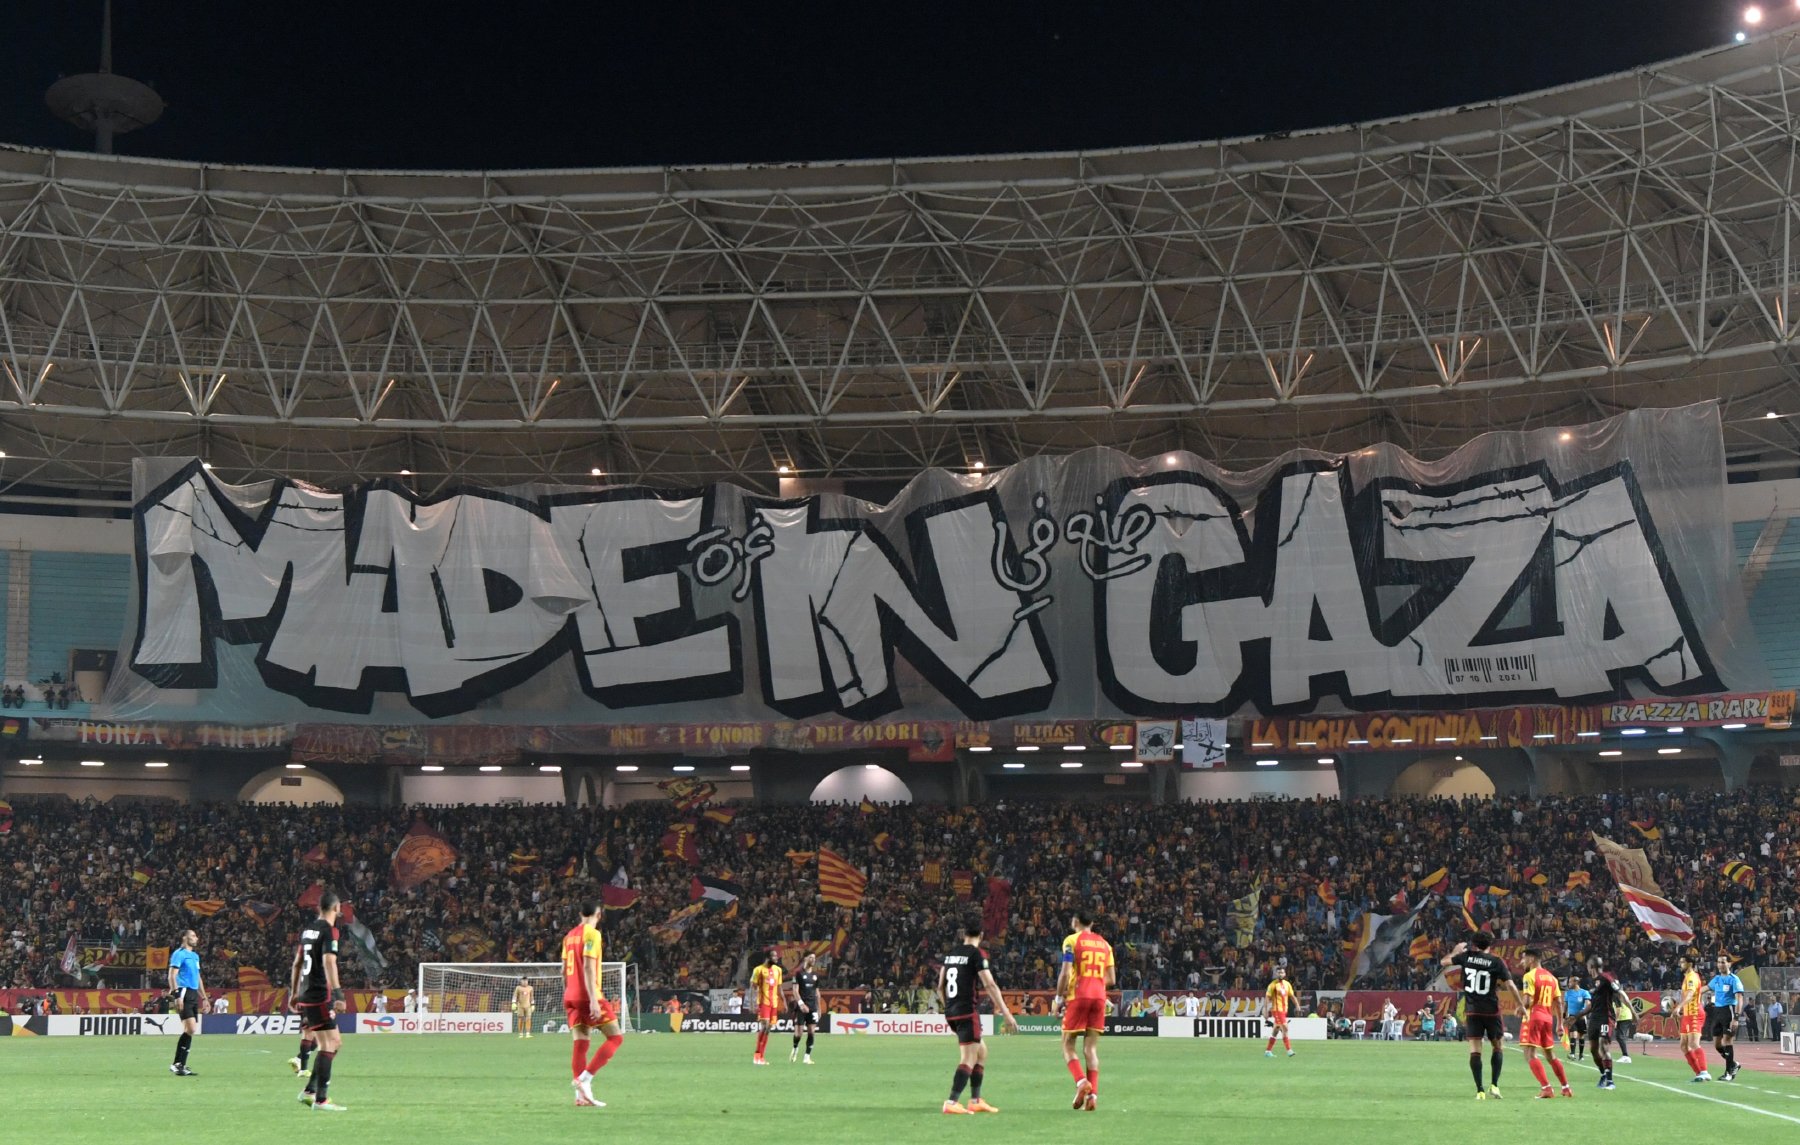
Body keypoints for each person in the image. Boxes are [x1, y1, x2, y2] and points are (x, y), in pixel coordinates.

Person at [939, 917, 1019, 1114]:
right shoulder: (976, 955)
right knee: (969, 1057)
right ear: (981, 935)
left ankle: (975, 1099)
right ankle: (951, 1102)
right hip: (967, 1012)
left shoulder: (952, 954)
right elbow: (989, 984)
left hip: (952, 1012)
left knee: (981, 1052)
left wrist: (948, 1007)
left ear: (963, 934)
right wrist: (1006, 1012)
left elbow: (940, 985)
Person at [1442, 932, 1526, 1100]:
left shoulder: (1467, 957)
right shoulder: (1496, 961)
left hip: (1472, 1011)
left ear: (1473, 944)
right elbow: (1510, 984)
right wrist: (1520, 1005)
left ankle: (1480, 1090)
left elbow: (1443, 962)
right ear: (1490, 944)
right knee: (1498, 1046)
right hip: (1491, 1010)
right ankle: (1494, 1085)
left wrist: (1455, 951)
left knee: (1475, 1051)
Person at [289, 890, 347, 1112]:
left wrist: (293, 993)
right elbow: (329, 962)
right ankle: (320, 1099)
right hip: (319, 994)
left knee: (332, 1043)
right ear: (336, 908)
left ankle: (310, 1091)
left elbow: (296, 963)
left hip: (305, 992)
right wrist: (339, 993)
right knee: (329, 1044)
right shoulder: (328, 931)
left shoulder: (309, 930)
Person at [561, 903, 623, 1108]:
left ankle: (580, 1097)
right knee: (615, 1037)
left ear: (580, 913)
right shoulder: (593, 934)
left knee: (581, 1043)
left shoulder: (569, 936)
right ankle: (585, 1078)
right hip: (588, 995)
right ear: (599, 914)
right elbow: (588, 966)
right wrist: (594, 1000)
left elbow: (563, 970)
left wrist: (567, 995)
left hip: (570, 994)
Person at [1055, 908, 1114, 1112]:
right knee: (1091, 1049)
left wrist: (1058, 997)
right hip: (1099, 997)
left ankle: (1081, 1082)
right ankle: (1093, 1096)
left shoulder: (1071, 941)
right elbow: (1112, 979)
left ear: (1076, 921)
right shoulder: (1105, 945)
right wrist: (1096, 983)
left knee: (1067, 1044)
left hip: (1078, 995)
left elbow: (1065, 972)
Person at [1517, 948, 1573, 1099]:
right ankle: (1566, 1087)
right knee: (1549, 1054)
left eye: (1523, 959)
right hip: (1548, 1019)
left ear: (1531, 959)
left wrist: (1520, 1008)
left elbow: (1528, 1000)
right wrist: (1559, 1024)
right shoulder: (1552, 978)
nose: (1521, 962)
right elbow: (1559, 1002)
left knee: (1529, 1054)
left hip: (1533, 1017)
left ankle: (1546, 1088)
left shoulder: (1529, 976)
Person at [166, 928, 205, 1077]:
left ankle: (180, 1064)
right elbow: (172, 976)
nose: (196, 938)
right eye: (193, 936)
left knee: (191, 1030)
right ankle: (177, 1064)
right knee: (191, 1028)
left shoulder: (195, 956)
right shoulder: (179, 954)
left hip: (193, 993)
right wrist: (176, 995)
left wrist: (204, 997)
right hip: (183, 992)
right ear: (185, 938)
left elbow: (198, 977)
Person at [1585, 957, 1624, 1089]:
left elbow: (1619, 992)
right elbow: (1592, 1004)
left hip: (1605, 1017)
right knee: (1593, 1050)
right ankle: (1603, 1075)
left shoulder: (1606, 978)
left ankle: (1610, 1081)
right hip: (1594, 1018)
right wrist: (1576, 1016)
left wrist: (1633, 1012)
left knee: (1603, 1046)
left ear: (1591, 966)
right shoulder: (1592, 982)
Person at [1706, 953, 1745, 1082]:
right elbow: (1705, 988)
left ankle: (1728, 1073)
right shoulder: (1716, 979)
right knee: (1717, 1045)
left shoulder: (1734, 979)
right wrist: (1691, 993)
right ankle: (1733, 1064)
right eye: (1719, 962)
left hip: (1729, 1011)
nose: (1720, 965)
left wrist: (1736, 1018)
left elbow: (1740, 998)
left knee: (1727, 1042)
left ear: (1729, 963)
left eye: (1723, 962)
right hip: (1717, 1011)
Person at [1676, 954, 1711, 1082]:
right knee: (1684, 1046)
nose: (1680, 965)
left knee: (1693, 1043)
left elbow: (1690, 995)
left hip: (1695, 1013)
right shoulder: (1687, 977)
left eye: (1682, 962)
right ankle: (1699, 1073)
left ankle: (1704, 1071)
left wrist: (1679, 1007)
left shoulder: (1692, 977)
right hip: (1688, 1014)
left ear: (1690, 964)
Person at [749, 950, 783, 1065]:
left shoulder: (778, 970)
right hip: (763, 1002)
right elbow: (752, 988)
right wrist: (752, 1004)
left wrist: (784, 1000)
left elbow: (779, 987)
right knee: (765, 1026)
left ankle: (761, 1057)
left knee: (768, 1029)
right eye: (774, 956)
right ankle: (757, 1055)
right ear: (768, 957)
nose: (777, 958)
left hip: (774, 1003)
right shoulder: (758, 970)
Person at [787, 952, 821, 1065]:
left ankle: (807, 1057)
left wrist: (819, 1008)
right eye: (811, 957)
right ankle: (795, 1048)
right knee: (799, 1034)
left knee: (812, 1032)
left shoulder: (815, 976)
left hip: (812, 1007)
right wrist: (801, 1004)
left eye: (814, 958)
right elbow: (795, 991)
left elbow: (817, 992)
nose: (813, 959)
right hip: (801, 1008)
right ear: (805, 958)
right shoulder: (798, 974)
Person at [1263, 965, 1296, 1057]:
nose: (1280, 974)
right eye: (1278, 972)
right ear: (1276, 974)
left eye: (1282, 972)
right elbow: (1267, 998)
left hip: (1284, 1010)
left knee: (1276, 1030)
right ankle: (1289, 1050)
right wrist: (1265, 1010)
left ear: (1285, 974)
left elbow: (1292, 996)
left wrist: (1297, 1005)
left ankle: (1268, 1051)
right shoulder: (1273, 985)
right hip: (1277, 1010)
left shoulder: (1287, 984)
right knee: (1285, 1028)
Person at [1564, 977, 1590, 1062]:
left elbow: (1588, 1005)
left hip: (1581, 1018)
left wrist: (1584, 1012)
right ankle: (1572, 1053)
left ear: (1576, 982)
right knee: (1573, 1035)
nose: (1568, 984)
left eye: (1570, 982)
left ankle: (1581, 1055)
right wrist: (1564, 1015)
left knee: (1581, 1036)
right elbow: (1566, 1005)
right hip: (1572, 1018)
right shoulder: (1568, 993)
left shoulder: (1584, 992)